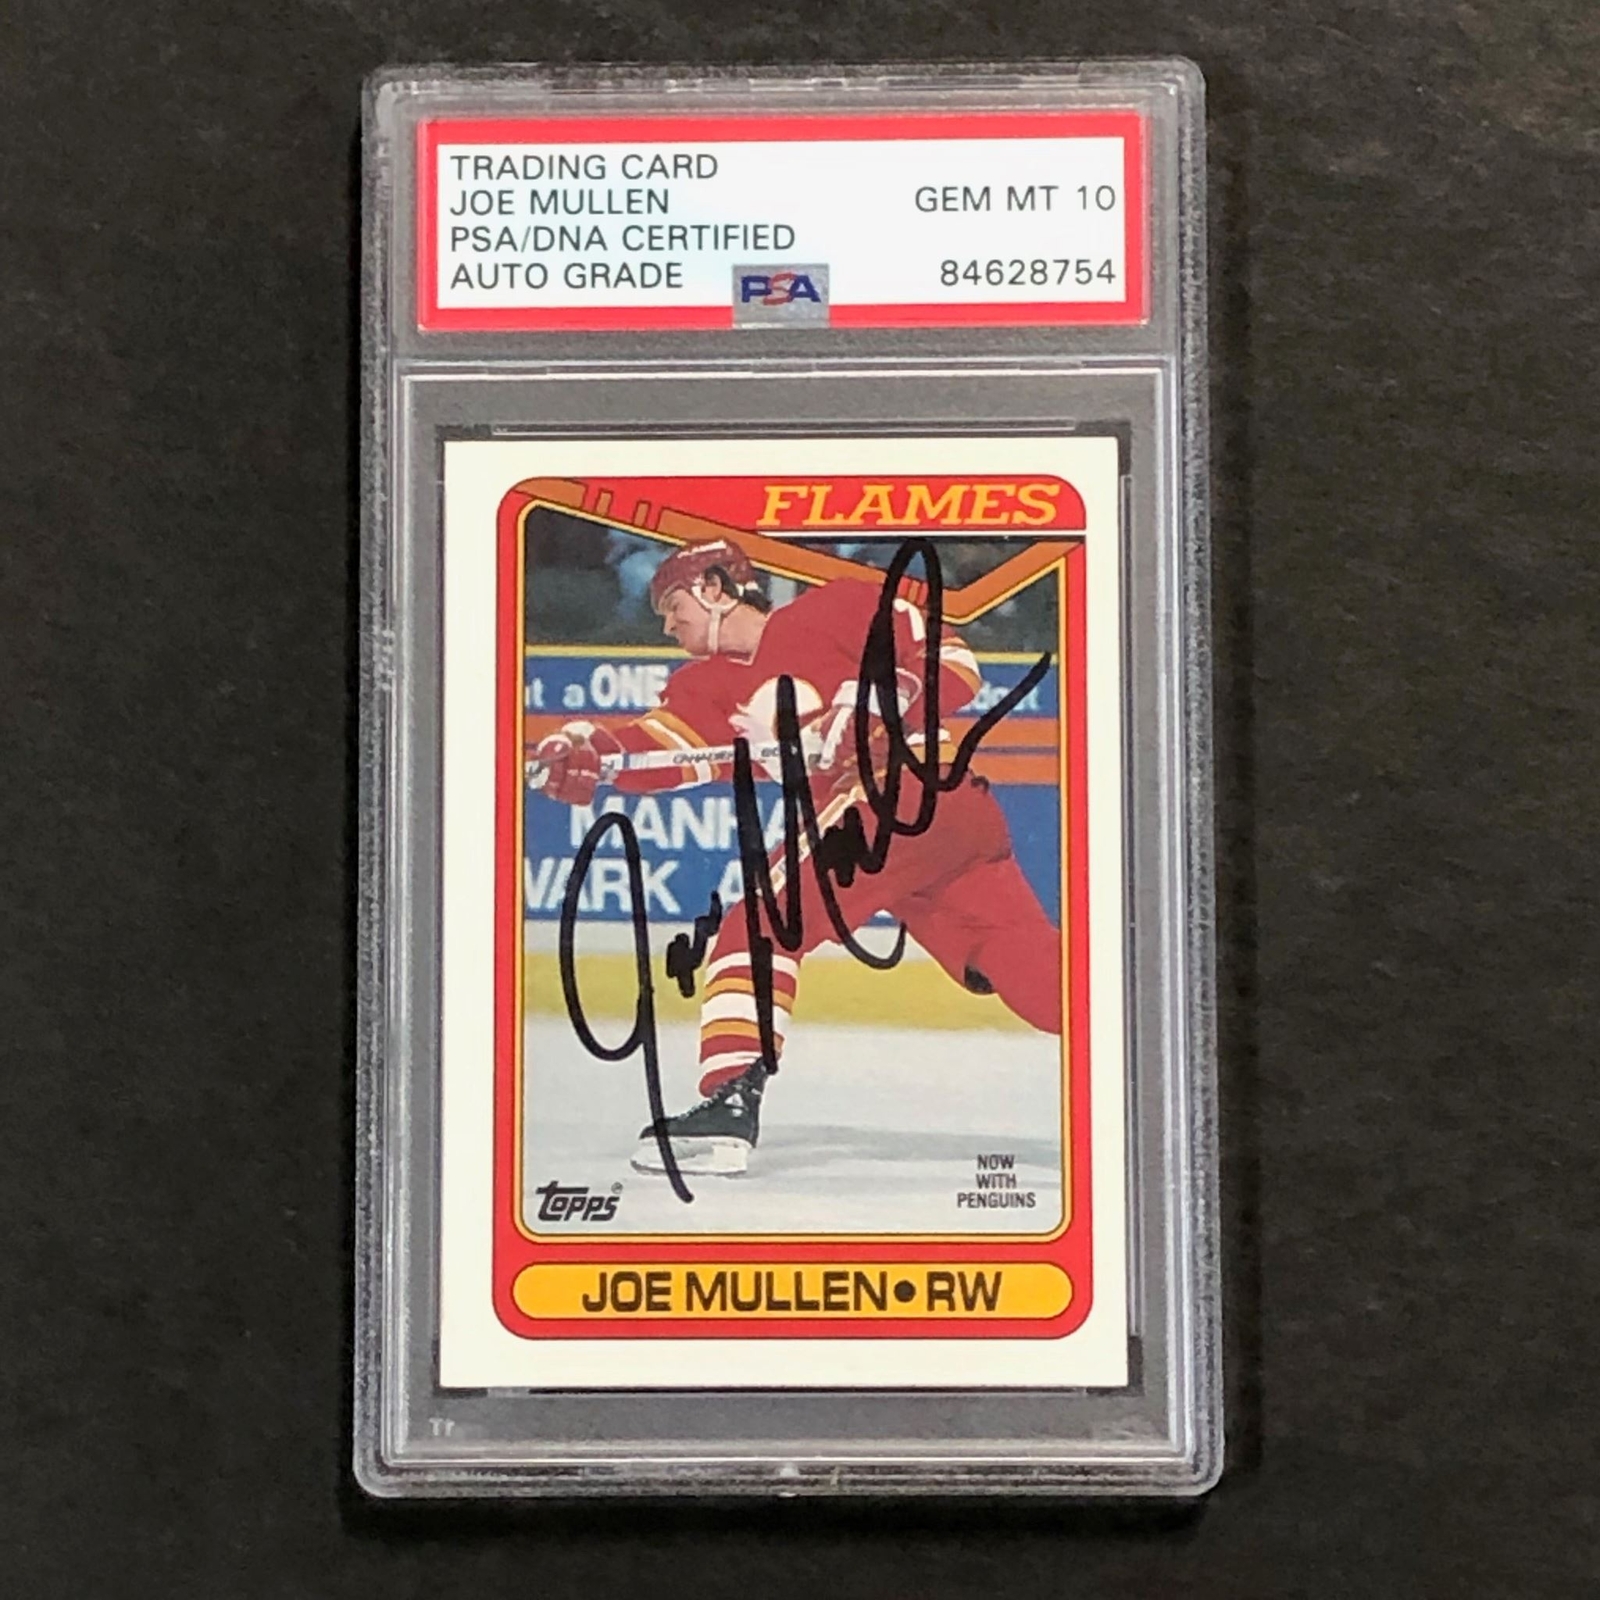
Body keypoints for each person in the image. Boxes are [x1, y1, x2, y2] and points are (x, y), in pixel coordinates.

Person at [532, 539, 1062, 1176]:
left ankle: (728, 1110)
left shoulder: (836, 607)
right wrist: (595, 753)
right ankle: (1136, 1040)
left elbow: (955, 661)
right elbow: (664, 752)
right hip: (934, 834)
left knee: (760, 926)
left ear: (714, 589)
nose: (668, 626)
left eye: (673, 607)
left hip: (904, 789)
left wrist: (880, 697)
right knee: (1034, 976)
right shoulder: (709, 686)